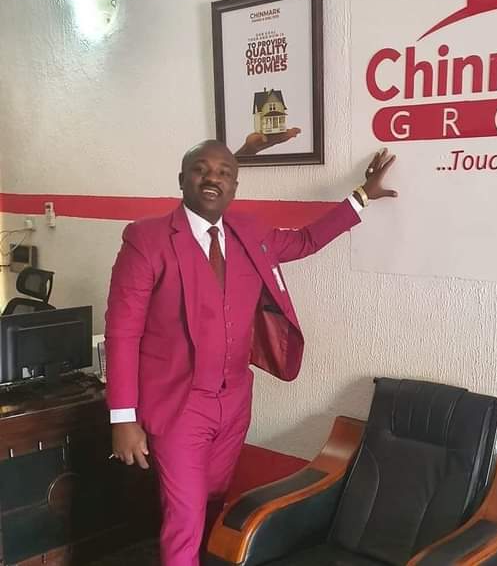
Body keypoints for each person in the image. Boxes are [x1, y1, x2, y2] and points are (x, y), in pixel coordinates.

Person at [104, 139, 396, 566]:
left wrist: (362, 196)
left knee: (213, 500)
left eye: (224, 173)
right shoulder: (146, 239)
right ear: (182, 179)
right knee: (184, 517)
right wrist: (123, 418)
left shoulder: (251, 233)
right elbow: (122, 332)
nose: (213, 178)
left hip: (235, 400)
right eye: (201, 169)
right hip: (179, 404)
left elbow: (307, 240)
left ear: (235, 187)